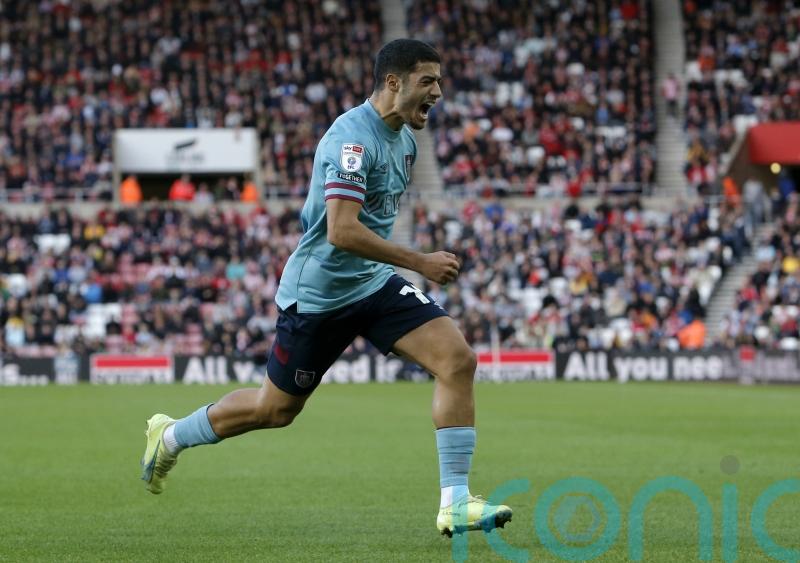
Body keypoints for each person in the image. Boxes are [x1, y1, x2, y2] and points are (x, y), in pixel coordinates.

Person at [140, 38, 512, 538]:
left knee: (457, 360)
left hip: (372, 283)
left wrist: (400, 267)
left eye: (439, 82)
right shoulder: (351, 141)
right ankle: (170, 436)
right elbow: (341, 231)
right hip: (318, 295)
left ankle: (455, 502)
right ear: (394, 82)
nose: (439, 93)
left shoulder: (405, 140)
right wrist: (419, 261)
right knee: (274, 410)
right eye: (428, 81)